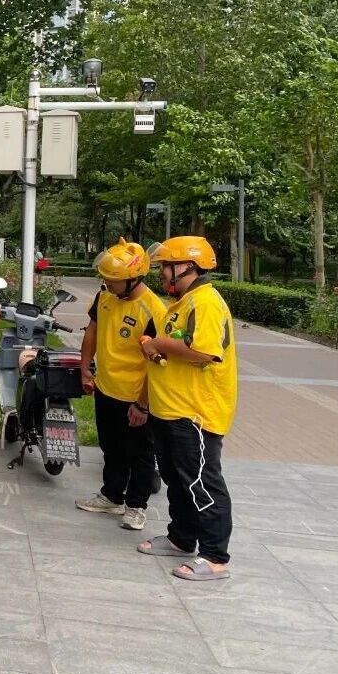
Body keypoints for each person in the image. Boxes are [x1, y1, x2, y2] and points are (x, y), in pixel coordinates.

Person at [136, 236, 237, 581]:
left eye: (167, 266)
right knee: (177, 480)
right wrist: (156, 349)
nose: (162, 273)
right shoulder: (183, 302)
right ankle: (181, 538)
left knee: (202, 483)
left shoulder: (205, 302)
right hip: (171, 409)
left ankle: (214, 556)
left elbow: (205, 352)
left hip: (195, 412)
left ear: (187, 267)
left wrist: (158, 343)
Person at [75, 238, 166, 531]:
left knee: (139, 453)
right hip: (106, 387)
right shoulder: (105, 297)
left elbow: (158, 364)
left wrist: (143, 404)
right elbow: (92, 331)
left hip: (135, 395)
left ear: (133, 278)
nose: (107, 283)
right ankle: (112, 495)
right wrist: (85, 368)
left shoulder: (153, 310)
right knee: (111, 447)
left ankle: (136, 506)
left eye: (112, 279)